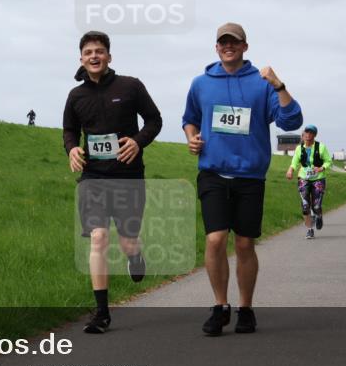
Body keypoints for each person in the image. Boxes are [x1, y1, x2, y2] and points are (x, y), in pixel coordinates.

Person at [182, 22, 303, 336]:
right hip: (212, 172)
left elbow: (292, 120)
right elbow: (189, 120)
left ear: (244, 46)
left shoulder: (261, 84)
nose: (228, 46)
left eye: (233, 42)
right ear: (216, 47)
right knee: (215, 238)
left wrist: (278, 85)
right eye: (222, 42)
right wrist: (191, 138)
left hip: (249, 174)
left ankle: (246, 308)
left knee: (246, 243)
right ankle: (220, 306)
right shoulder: (201, 83)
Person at [63, 31, 163, 333]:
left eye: (100, 51)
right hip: (93, 177)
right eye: (88, 52)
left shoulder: (130, 86)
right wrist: (72, 149)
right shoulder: (75, 96)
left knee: (127, 240)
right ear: (81, 58)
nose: (94, 56)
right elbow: (69, 130)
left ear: (109, 56)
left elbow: (155, 120)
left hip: (128, 176)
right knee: (98, 238)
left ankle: (135, 254)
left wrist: (137, 141)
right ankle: (102, 313)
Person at [286, 124, 332, 240]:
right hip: (303, 178)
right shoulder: (299, 148)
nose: (308, 135)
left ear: (314, 135)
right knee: (305, 206)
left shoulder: (321, 147)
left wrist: (322, 168)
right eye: (306, 133)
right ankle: (310, 230)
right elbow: (294, 162)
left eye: (311, 133)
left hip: (318, 178)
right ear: (303, 134)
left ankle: (319, 215)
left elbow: (329, 161)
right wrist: (290, 170)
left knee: (316, 206)